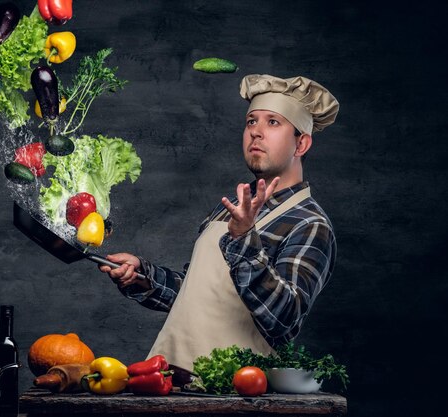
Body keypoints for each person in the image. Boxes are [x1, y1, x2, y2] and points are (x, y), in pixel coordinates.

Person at [99, 74, 340, 372]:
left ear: (301, 144)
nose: (257, 132)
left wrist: (244, 242)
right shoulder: (229, 208)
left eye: (273, 122)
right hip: (168, 381)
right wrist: (144, 276)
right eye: (251, 121)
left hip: (235, 393)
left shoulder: (309, 224)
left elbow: (284, 319)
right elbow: (198, 296)